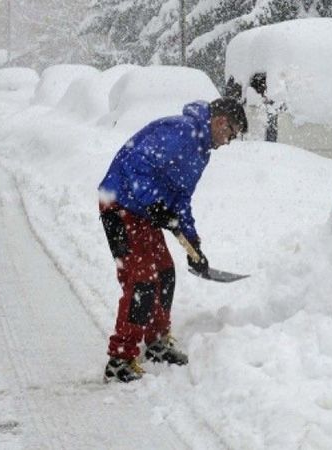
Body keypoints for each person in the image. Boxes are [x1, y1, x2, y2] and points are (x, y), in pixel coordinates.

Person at [98, 97, 248, 383]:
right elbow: (136, 167)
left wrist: (193, 244)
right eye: (231, 133)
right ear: (220, 121)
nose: (229, 141)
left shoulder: (201, 150)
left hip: (142, 212)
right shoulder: (181, 131)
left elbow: (181, 198)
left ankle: (157, 341)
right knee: (141, 280)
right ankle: (120, 359)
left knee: (165, 272)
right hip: (119, 204)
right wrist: (154, 203)